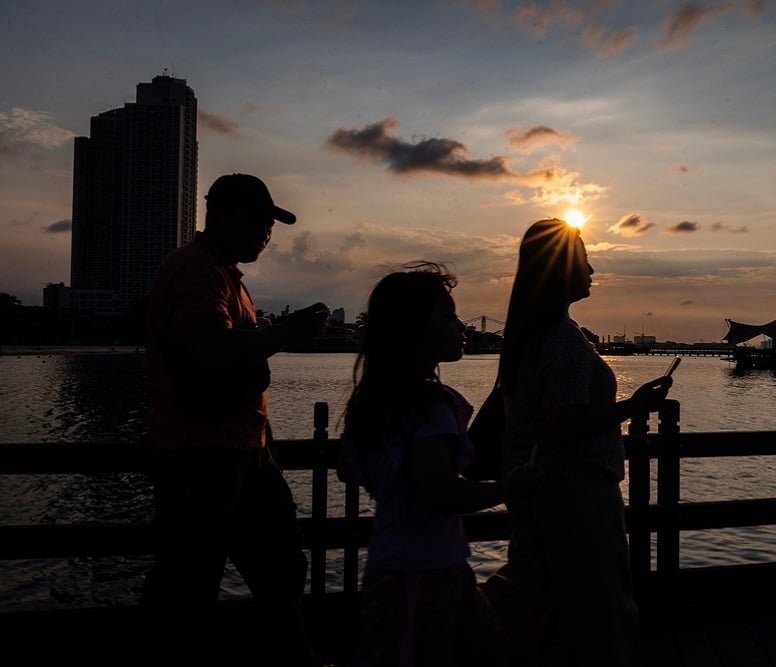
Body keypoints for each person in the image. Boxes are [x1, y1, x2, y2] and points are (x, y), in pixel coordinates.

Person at [135, 173, 332, 666]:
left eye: (269, 225)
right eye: (260, 222)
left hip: (242, 448)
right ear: (221, 216)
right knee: (191, 578)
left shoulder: (220, 274)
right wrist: (286, 331)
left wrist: (272, 334)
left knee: (279, 564)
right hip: (202, 451)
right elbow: (211, 349)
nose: (266, 234)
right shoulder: (197, 270)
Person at [482, 219, 673, 667]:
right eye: (584, 259)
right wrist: (634, 405)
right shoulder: (564, 340)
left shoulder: (528, 335)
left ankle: (461, 642)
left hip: (535, 485)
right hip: (577, 487)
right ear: (560, 269)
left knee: (530, 596)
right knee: (602, 607)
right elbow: (565, 423)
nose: (592, 268)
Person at [338, 262, 541, 667]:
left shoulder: (374, 403)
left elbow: (352, 470)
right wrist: (508, 488)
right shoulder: (427, 405)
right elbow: (441, 492)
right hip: (424, 574)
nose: (460, 326)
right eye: (448, 316)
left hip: (401, 564)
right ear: (414, 330)